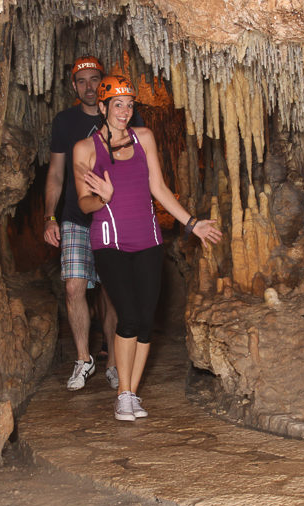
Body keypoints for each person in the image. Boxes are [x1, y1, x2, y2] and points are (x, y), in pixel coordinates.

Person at [72, 75, 222, 421]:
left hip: (149, 240)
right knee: (127, 315)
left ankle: (132, 394)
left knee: (144, 320)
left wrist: (191, 223)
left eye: (129, 105)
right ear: (104, 107)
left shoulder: (144, 139)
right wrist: (102, 198)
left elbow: (159, 187)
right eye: (118, 104)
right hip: (110, 242)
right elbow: (83, 202)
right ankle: (123, 393)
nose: (125, 111)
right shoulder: (85, 148)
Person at [43, 56, 120, 391]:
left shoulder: (121, 115)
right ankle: (83, 358)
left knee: (111, 292)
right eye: (83, 81)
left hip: (112, 217)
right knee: (74, 286)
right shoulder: (64, 122)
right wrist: (49, 216)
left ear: (103, 83)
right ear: (74, 86)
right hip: (75, 218)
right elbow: (56, 175)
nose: (90, 87)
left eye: (95, 80)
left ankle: (115, 361)